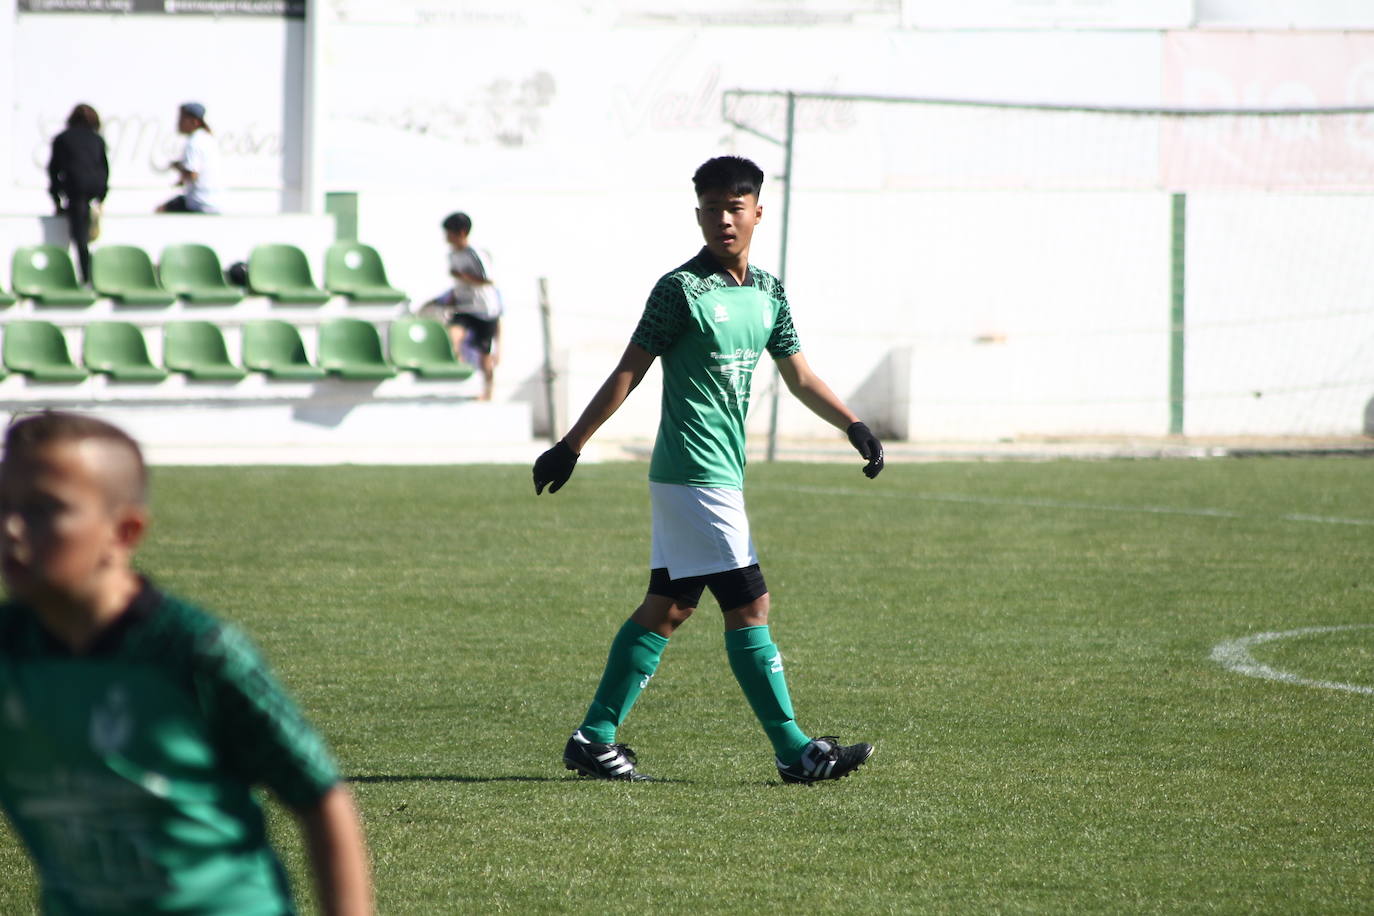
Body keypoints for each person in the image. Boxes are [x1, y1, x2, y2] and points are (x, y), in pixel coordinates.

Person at [532, 155, 885, 785]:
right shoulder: (680, 290)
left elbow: (799, 375)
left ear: (756, 212)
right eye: (711, 208)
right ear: (697, 213)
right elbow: (629, 370)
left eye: (734, 207)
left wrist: (852, 424)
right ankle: (797, 752)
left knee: (668, 607)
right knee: (751, 605)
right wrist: (572, 444)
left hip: (716, 476)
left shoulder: (768, 291)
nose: (723, 219)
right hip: (695, 474)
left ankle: (594, 737)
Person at [0, 411, 373, 914]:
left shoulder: (192, 651)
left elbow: (320, 795)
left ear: (124, 531)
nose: (12, 529)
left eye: (45, 509)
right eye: (3, 505)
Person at [424, 212, 502, 400]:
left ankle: (488, 392)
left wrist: (464, 277)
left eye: (449, 232)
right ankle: (458, 377)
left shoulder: (476, 253)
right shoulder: (452, 255)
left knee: (485, 355)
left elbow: (487, 280)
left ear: (461, 232)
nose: (446, 237)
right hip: (465, 307)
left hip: (484, 309)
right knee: (453, 337)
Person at [46, 103, 109, 285]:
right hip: (93, 189)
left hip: (75, 190)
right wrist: (102, 197)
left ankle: (86, 277)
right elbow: (104, 170)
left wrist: (56, 199)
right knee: (83, 236)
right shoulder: (97, 140)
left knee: (80, 237)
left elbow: (53, 171)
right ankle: (87, 275)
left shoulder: (62, 139)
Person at [156, 102, 221, 214]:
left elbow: (192, 174)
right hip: (215, 202)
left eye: (182, 119)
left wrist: (178, 167)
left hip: (200, 203)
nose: (178, 123)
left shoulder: (194, 142)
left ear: (194, 121)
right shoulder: (208, 139)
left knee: (160, 210)